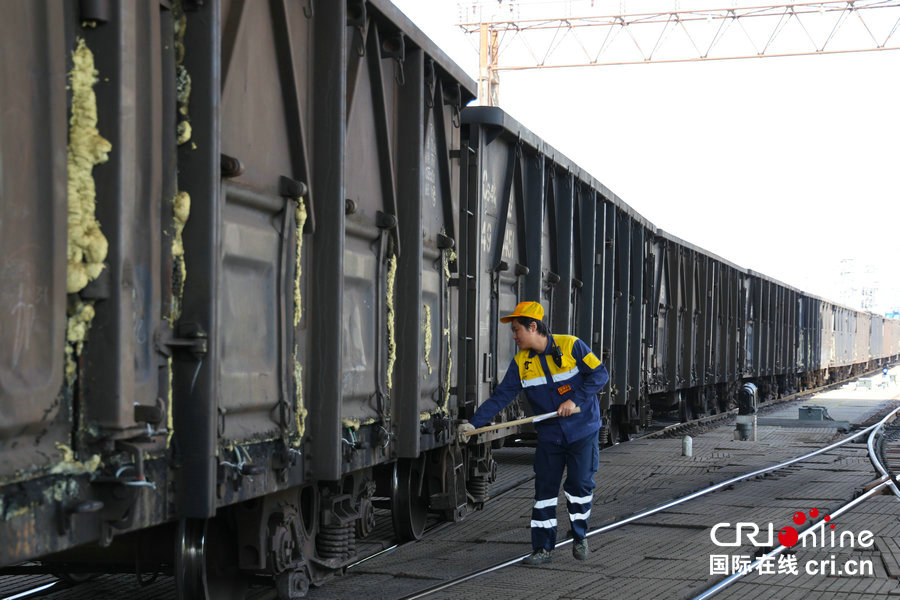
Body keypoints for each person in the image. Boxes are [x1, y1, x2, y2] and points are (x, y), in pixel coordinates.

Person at [458, 301, 609, 566]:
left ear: (533, 326)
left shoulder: (572, 345)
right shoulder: (521, 363)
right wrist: (474, 424)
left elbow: (599, 374)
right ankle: (542, 548)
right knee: (544, 492)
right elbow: (501, 396)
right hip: (551, 437)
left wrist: (575, 400)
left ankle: (579, 535)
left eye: (517, 330)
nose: (514, 336)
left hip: (582, 432)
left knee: (579, 486)